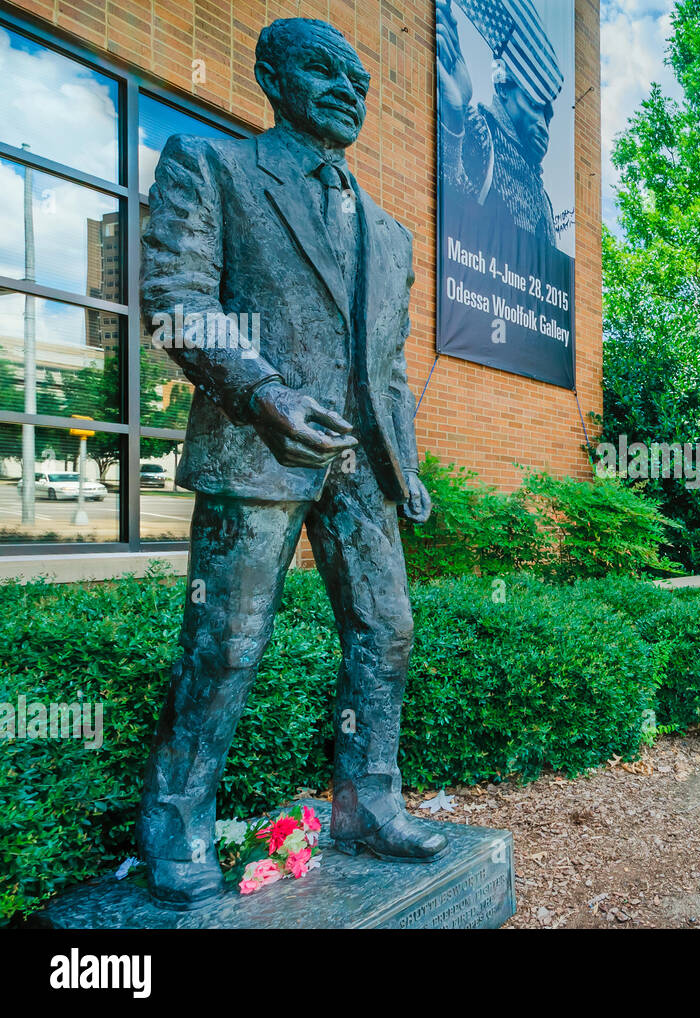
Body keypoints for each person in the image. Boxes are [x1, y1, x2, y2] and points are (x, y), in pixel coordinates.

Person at [137, 17, 446, 911]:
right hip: (256, 447)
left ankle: (367, 803)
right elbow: (176, 303)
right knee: (227, 642)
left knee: (386, 632)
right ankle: (177, 821)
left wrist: (406, 465)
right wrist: (266, 393)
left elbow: (386, 368)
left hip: (360, 468)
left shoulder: (391, 234)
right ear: (272, 76)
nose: (350, 89)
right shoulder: (214, 167)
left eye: (361, 79)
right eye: (325, 71)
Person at [436, 0, 561, 244]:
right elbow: (453, 205)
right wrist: (452, 123)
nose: (544, 128)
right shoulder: (479, 133)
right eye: (535, 105)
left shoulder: (543, 197)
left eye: (548, 117)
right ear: (504, 88)